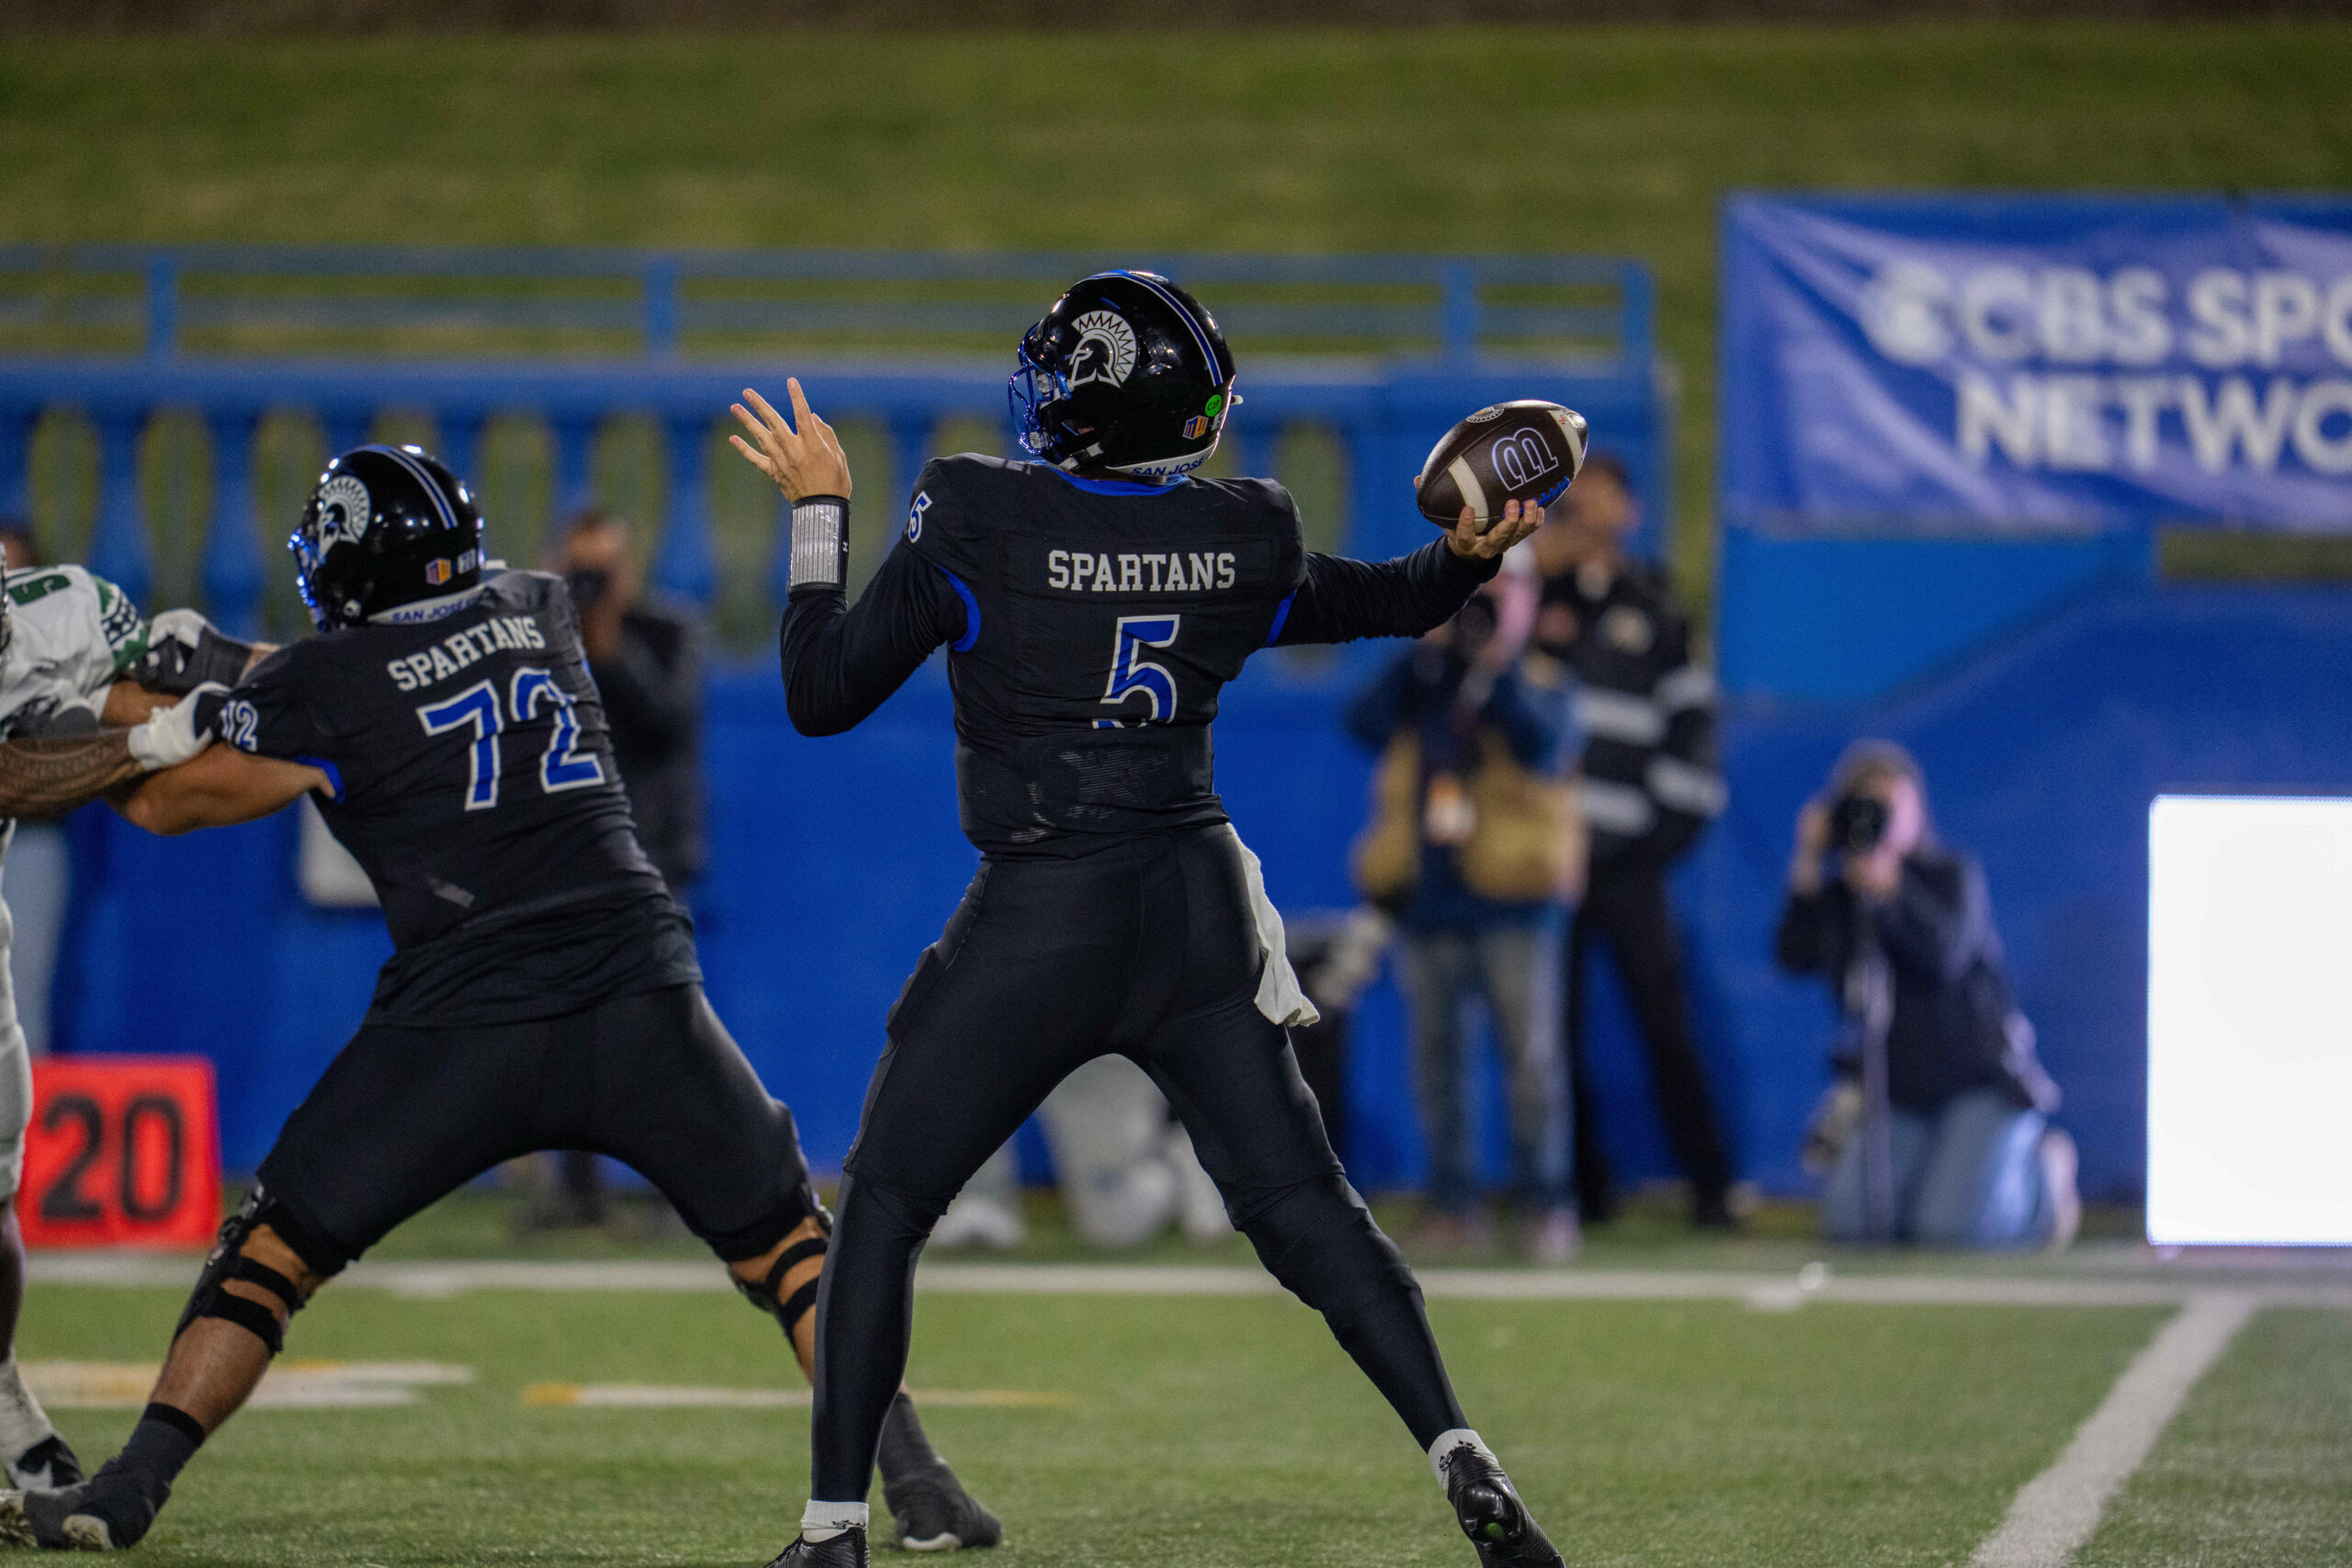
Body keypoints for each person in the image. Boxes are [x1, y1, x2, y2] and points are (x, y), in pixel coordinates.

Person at [0, 446, 996, 1554]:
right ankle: (920, 1480)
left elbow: (167, 806)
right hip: (639, 990)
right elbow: (399, 667)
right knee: (791, 1250)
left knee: (271, 1255)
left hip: (462, 1019)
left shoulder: (323, 686)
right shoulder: (538, 606)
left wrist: (133, 706)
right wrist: (236, 672)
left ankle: (130, 1485)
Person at [737, 268, 1567, 1568]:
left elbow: (820, 691)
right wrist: (1469, 554)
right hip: (1188, 911)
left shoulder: (975, 511)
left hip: (1042, 909)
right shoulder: (1245, 532)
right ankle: (1459, 1444)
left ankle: (835, 1521)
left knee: (888, 1197)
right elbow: (1386, 601)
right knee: (1308, 1207)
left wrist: (816, 514)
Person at [0, 558, 231, 1506]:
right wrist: (160, 736)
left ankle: (3, 1400)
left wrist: (313, 676)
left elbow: (177, 661)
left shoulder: (53, 614)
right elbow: (17, 771)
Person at [1345, 567, 1584, 1262]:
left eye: (1501, 592)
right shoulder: (1427, 675)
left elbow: (1545, 746)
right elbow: (1361, 723)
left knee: (1530, 1062)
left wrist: (1495, 666)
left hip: (1517, 900)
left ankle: (1544, 1203)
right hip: (1431, 897)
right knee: (1438, 1062)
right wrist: (1427, 648)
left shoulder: (1544, 682)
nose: (1483, 606)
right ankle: (1454, 1202)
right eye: (1475, 592)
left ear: (1529, 602)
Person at [1529, 454, 1736, 1230]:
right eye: (1573, 503)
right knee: (1556, 1032)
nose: (1585, 513)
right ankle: (1582, 1189)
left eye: (1602, 500)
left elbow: (1692, 730)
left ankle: (1711, 1186)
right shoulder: (1536, 597)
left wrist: (1655, 842)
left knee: (1665, 1023)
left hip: (1627, 863)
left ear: (1631, 512)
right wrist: (1537, 568)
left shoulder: (1657, 610)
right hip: (1552, 860)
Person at [1775, 740, 2079, 1251]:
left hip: (1978, 1083)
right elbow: (1793, 953)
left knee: (1950, 1232)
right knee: (1855, 1224)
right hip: (1898, 1093)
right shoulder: (1841, 900)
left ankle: (2042, 1189)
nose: (1883, 822)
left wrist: (1890, 888)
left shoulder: (1950, 877)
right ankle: (1952, 1184)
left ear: (1917, 810)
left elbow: (1946, 954)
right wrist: (1809, 856)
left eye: (1892, 807)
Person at [532, 508, 709, 1230]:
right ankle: (578, 1193)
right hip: (571, 849)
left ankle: (684, 1191)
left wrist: (607, 647)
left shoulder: (666, 632)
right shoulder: (542, 639)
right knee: (571, 1029)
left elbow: (668, 727)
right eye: (580, 571)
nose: (593, 586)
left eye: (602, 571)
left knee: (658, 1030)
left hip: (651, 853)